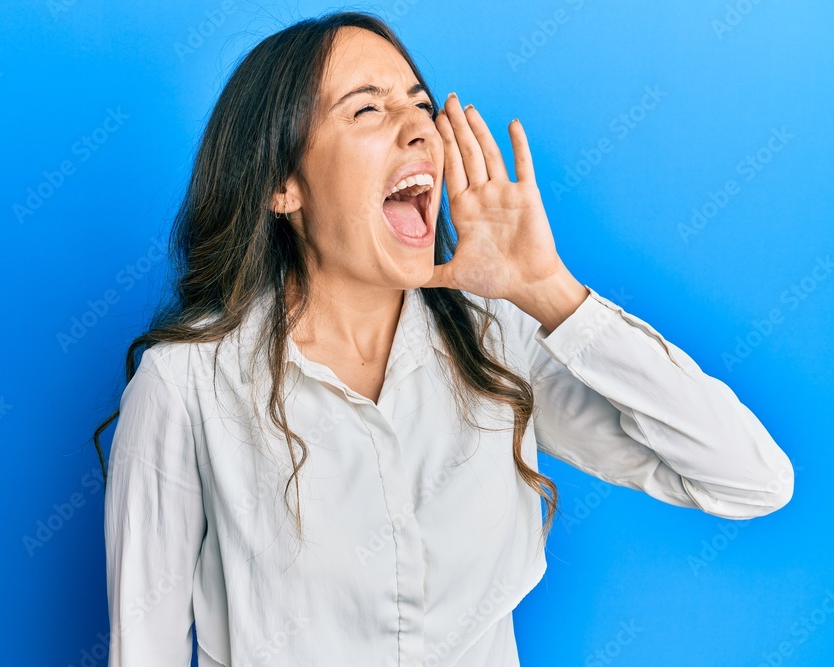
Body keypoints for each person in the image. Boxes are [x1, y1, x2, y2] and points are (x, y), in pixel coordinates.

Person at [94, 11, 794, 666]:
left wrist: (549, 291)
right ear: (282, 185)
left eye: (420, 106)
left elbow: (750, 478)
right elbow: (143, 644)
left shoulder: (495, 344)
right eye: (368, 108)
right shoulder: (186, 385)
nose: (418, 129)